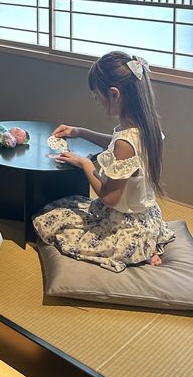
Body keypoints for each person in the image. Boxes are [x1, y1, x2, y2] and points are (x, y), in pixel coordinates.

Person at [33, 51, 175, 272]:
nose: (97, 102)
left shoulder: (126, 141)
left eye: (96, 96)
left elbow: (109, 198)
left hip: (123, 227)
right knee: (68, 204)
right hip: (146, 219)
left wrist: (85, 164)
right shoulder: (147, 127)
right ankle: (146, 245)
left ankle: (139, 250)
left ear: (114, 94)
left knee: (47, 219)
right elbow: (117, 144)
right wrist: (80, 132)